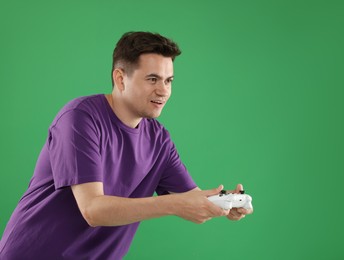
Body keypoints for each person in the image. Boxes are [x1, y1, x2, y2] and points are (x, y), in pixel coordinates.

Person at [0, 31, 253, 259]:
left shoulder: (159, 139)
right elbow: (93, 210)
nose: (163, 91)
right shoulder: (79, 118)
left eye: (169, 80)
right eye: (153, 79)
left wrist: (224, 203)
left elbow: (190, 199)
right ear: (120, 78)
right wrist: (175, 205)